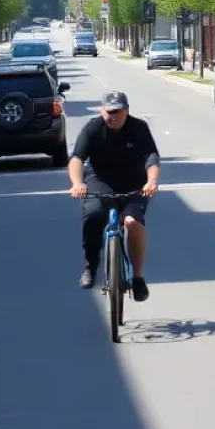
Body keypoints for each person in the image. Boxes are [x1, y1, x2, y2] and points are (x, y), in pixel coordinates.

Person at [68, 91, 160, 301]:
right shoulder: (92, 128)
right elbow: (77, 158)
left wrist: (151, 181)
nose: (112, 116)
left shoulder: (138, 128)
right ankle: (91, 266)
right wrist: (77, 183)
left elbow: (152, 159)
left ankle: (138, 277)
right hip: (99, 181)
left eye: (117, 111)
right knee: (93, 216)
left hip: (133, 184)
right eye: (108, 111)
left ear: (126, 111)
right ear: (102, 110)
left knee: (132, 222)